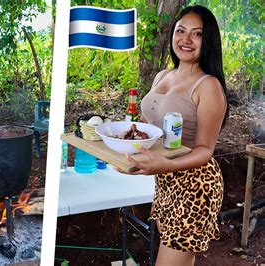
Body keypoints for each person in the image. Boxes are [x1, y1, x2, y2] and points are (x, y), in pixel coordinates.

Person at [127, 5, 228, 265]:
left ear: (208, 41)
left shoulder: (209, 86)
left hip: (196, 186)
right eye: (180, 31)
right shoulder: (163, 75)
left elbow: (205, 150)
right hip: (166, 182)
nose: (186, 39)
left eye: (196, 34)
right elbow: (150, 126)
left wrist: (166, 164)